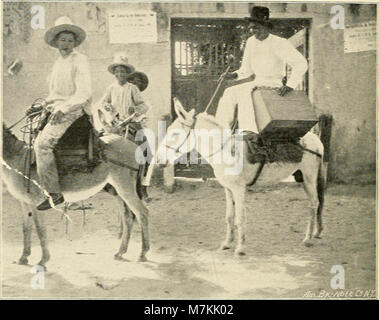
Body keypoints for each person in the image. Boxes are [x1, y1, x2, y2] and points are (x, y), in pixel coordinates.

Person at [215, 6, 308, 142]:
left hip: (273, 83)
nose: (253, 31)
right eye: (252, 28)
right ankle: (221, 130)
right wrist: (233, 75)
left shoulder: (279, 43)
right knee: (229, 91)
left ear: (266, 27)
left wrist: (290, 85)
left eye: (257, 27)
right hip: (258, 82)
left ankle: (249, 130)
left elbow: (301, 63)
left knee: (244, 91)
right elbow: (246, 69)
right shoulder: (250, 42)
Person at [32, 16, 92, 210]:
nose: (66, 43)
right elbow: (55, 93)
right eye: (62, 39)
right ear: (56, 42)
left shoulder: (80, 60)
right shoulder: (58, 62)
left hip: (73, 109)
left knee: (42, 145)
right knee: (32, 131)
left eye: (70, 40)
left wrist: (63, 108)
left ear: (74, 42)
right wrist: (42, 105)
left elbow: (83, 93)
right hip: (57, 107)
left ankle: (54, 193)